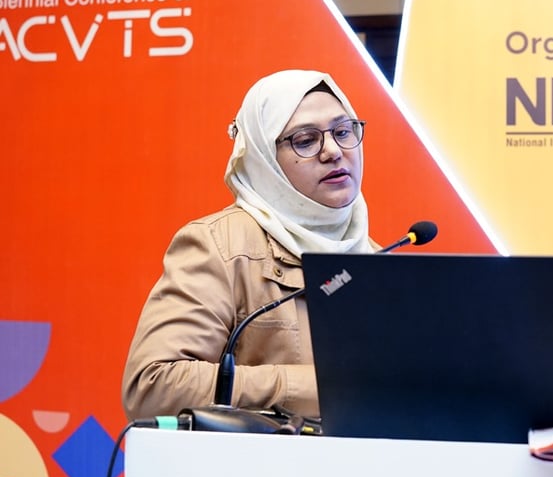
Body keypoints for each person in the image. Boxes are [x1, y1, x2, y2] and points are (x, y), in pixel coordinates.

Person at [121, 69, 375, 421]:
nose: (333, 151)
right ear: (263, 157)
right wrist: (312, 387)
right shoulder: (220, 245)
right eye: (305, 140)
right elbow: (153, 386)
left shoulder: (378, 257)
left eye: (343, 131)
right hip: (258, 457)